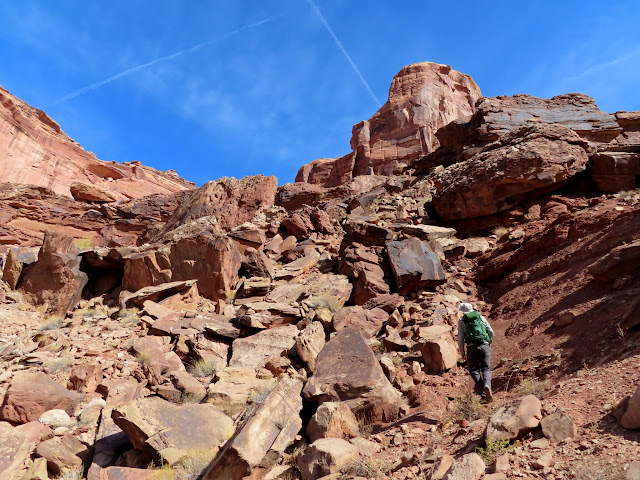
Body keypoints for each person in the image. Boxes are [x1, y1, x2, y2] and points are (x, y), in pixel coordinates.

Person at [457, 303, 494, 402]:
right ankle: (487, 385)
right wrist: (489, 342)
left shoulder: (461, 321)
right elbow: (491, 331)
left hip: (471, 347)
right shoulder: (480, 318)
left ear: (463, 312)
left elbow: (460, 338)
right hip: (484, 345)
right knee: (486, 368)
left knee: (474, 370)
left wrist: (462, 352)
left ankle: (482, 391)